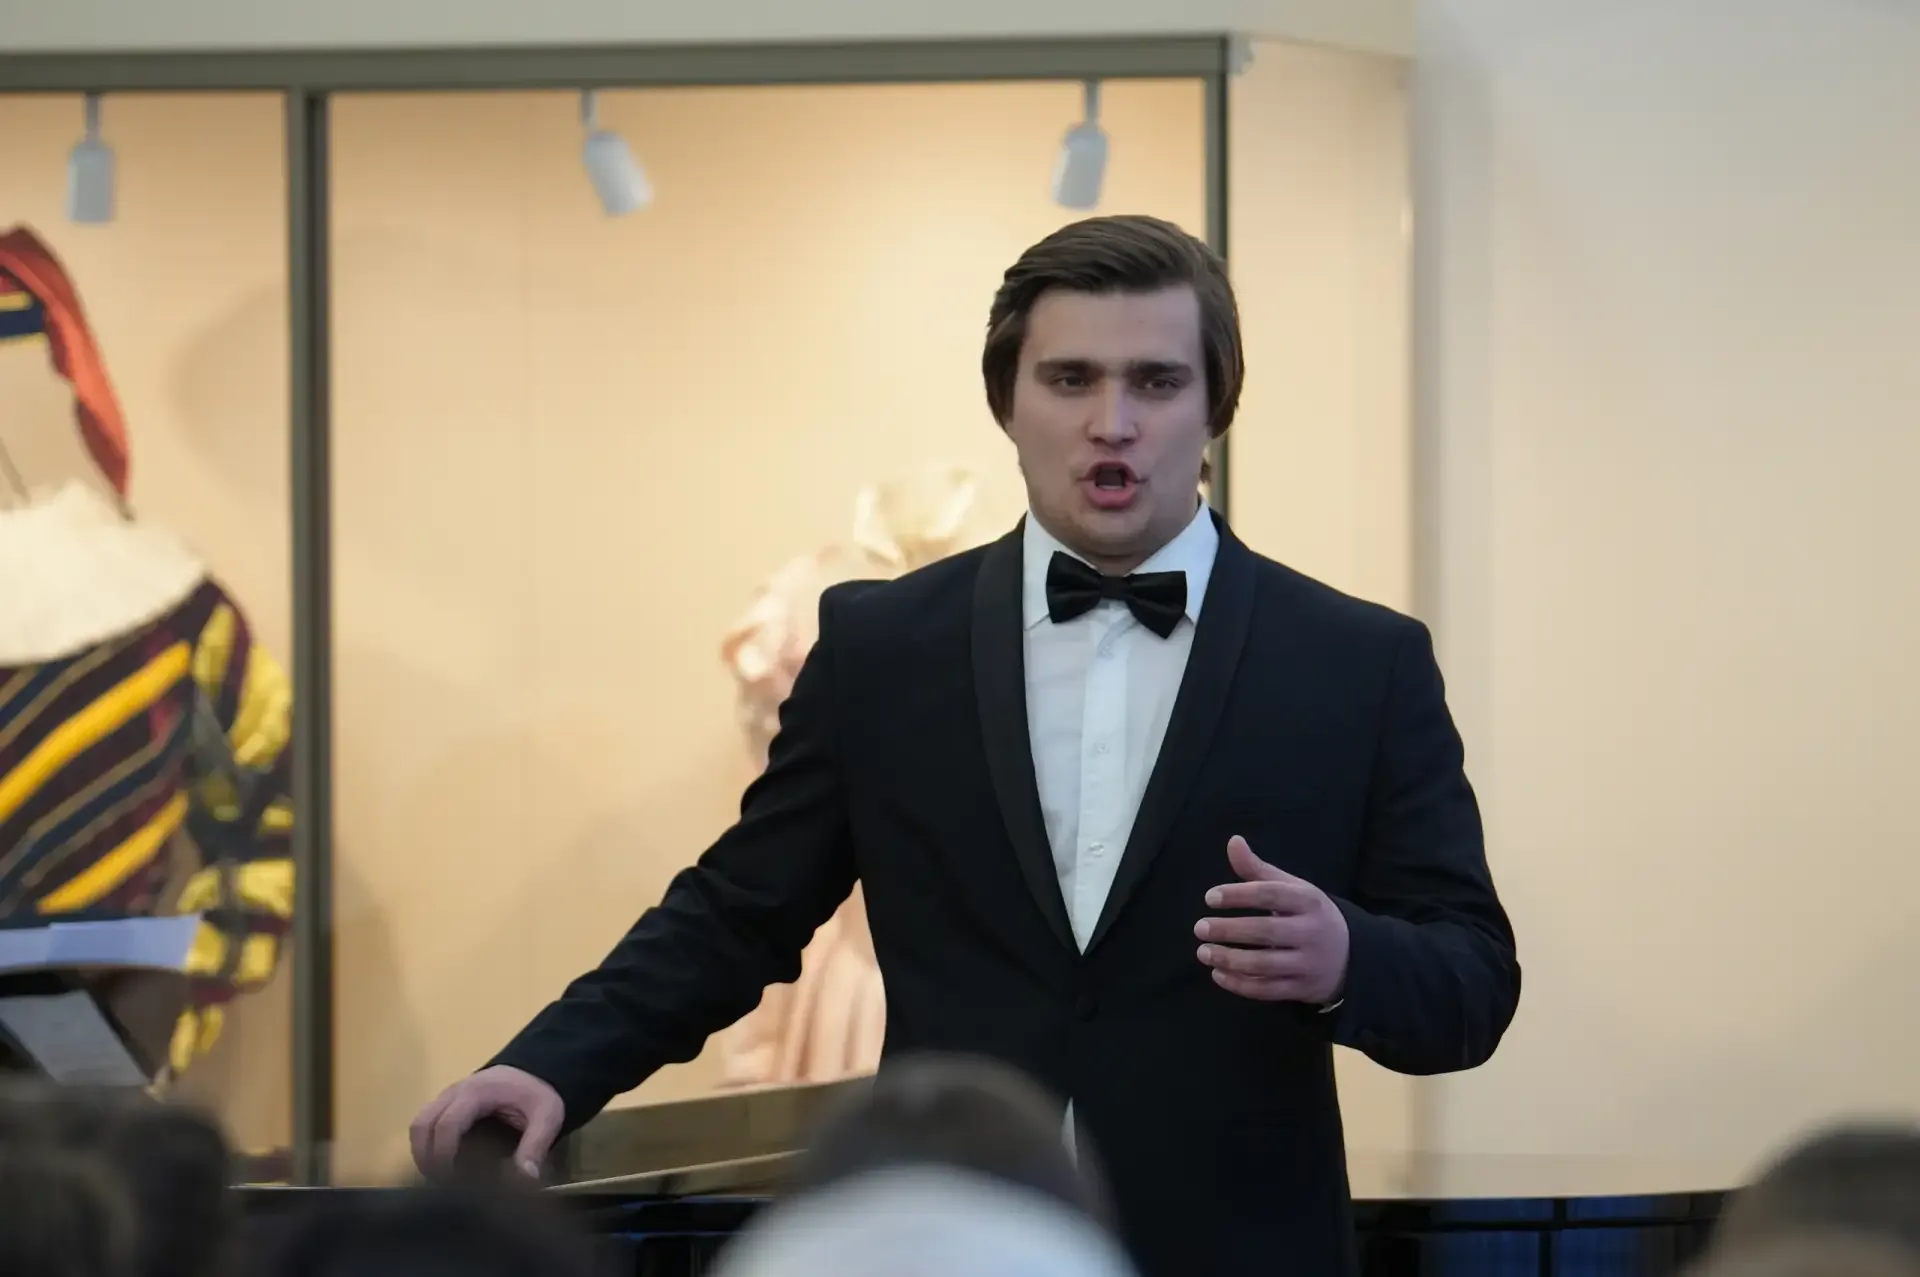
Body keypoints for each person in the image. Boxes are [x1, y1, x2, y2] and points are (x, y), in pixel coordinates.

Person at [410, 213, 1520, 1276]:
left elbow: (1473, 977)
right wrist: (551, 1064)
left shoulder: (1359, 660)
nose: (1113, 421)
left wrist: (1348, 959)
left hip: (1237, 1251)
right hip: (934, 1240)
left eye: (1156, 381)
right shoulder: (882, 646)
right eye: (1070, 379)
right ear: (1006, 401)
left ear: (1215, 405)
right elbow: (736, 912)